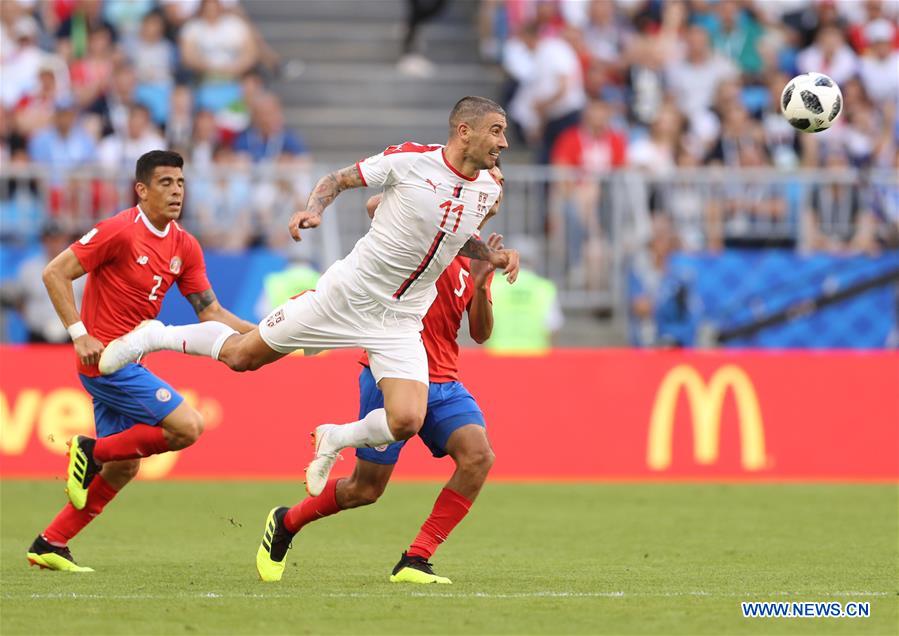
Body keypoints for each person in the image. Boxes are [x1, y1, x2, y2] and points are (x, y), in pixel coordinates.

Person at [96, 95, 519, 567]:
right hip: (345, 296)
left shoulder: (489, 188)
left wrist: (492, 257)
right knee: (242, 356)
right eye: (496, 131)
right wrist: (313, 210)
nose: (503, 142)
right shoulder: (411, 161)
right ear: (464, 131)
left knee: (407, 420)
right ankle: (155, 335)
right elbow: (338, 181)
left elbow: (459, 236)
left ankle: (335, 438)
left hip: (399, 320)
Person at [256, 166, 504, 584]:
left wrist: (481, 287)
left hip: (442, 379)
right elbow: (376, 204)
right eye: (488, 173)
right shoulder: (433, 221)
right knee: (365, 489)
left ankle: (417, 558)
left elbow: (479, 333)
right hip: (391, 374)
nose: (494, 181)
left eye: (499, 180)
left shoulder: (475, 257)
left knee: (479, 457)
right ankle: (286, 522)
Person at [25, 150, 254, 572]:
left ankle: (50, 542)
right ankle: (90, 451)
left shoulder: (184, 244)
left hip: (132, 362)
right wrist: (79, 335)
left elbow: (211, 313)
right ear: (142, 190)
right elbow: (54, 272)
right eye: (165, 183)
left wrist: (263, 335)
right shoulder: (119, 231)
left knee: (125, 465)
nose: (176, 191)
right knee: (188, 426)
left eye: (181, 183)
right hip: (104, 361)